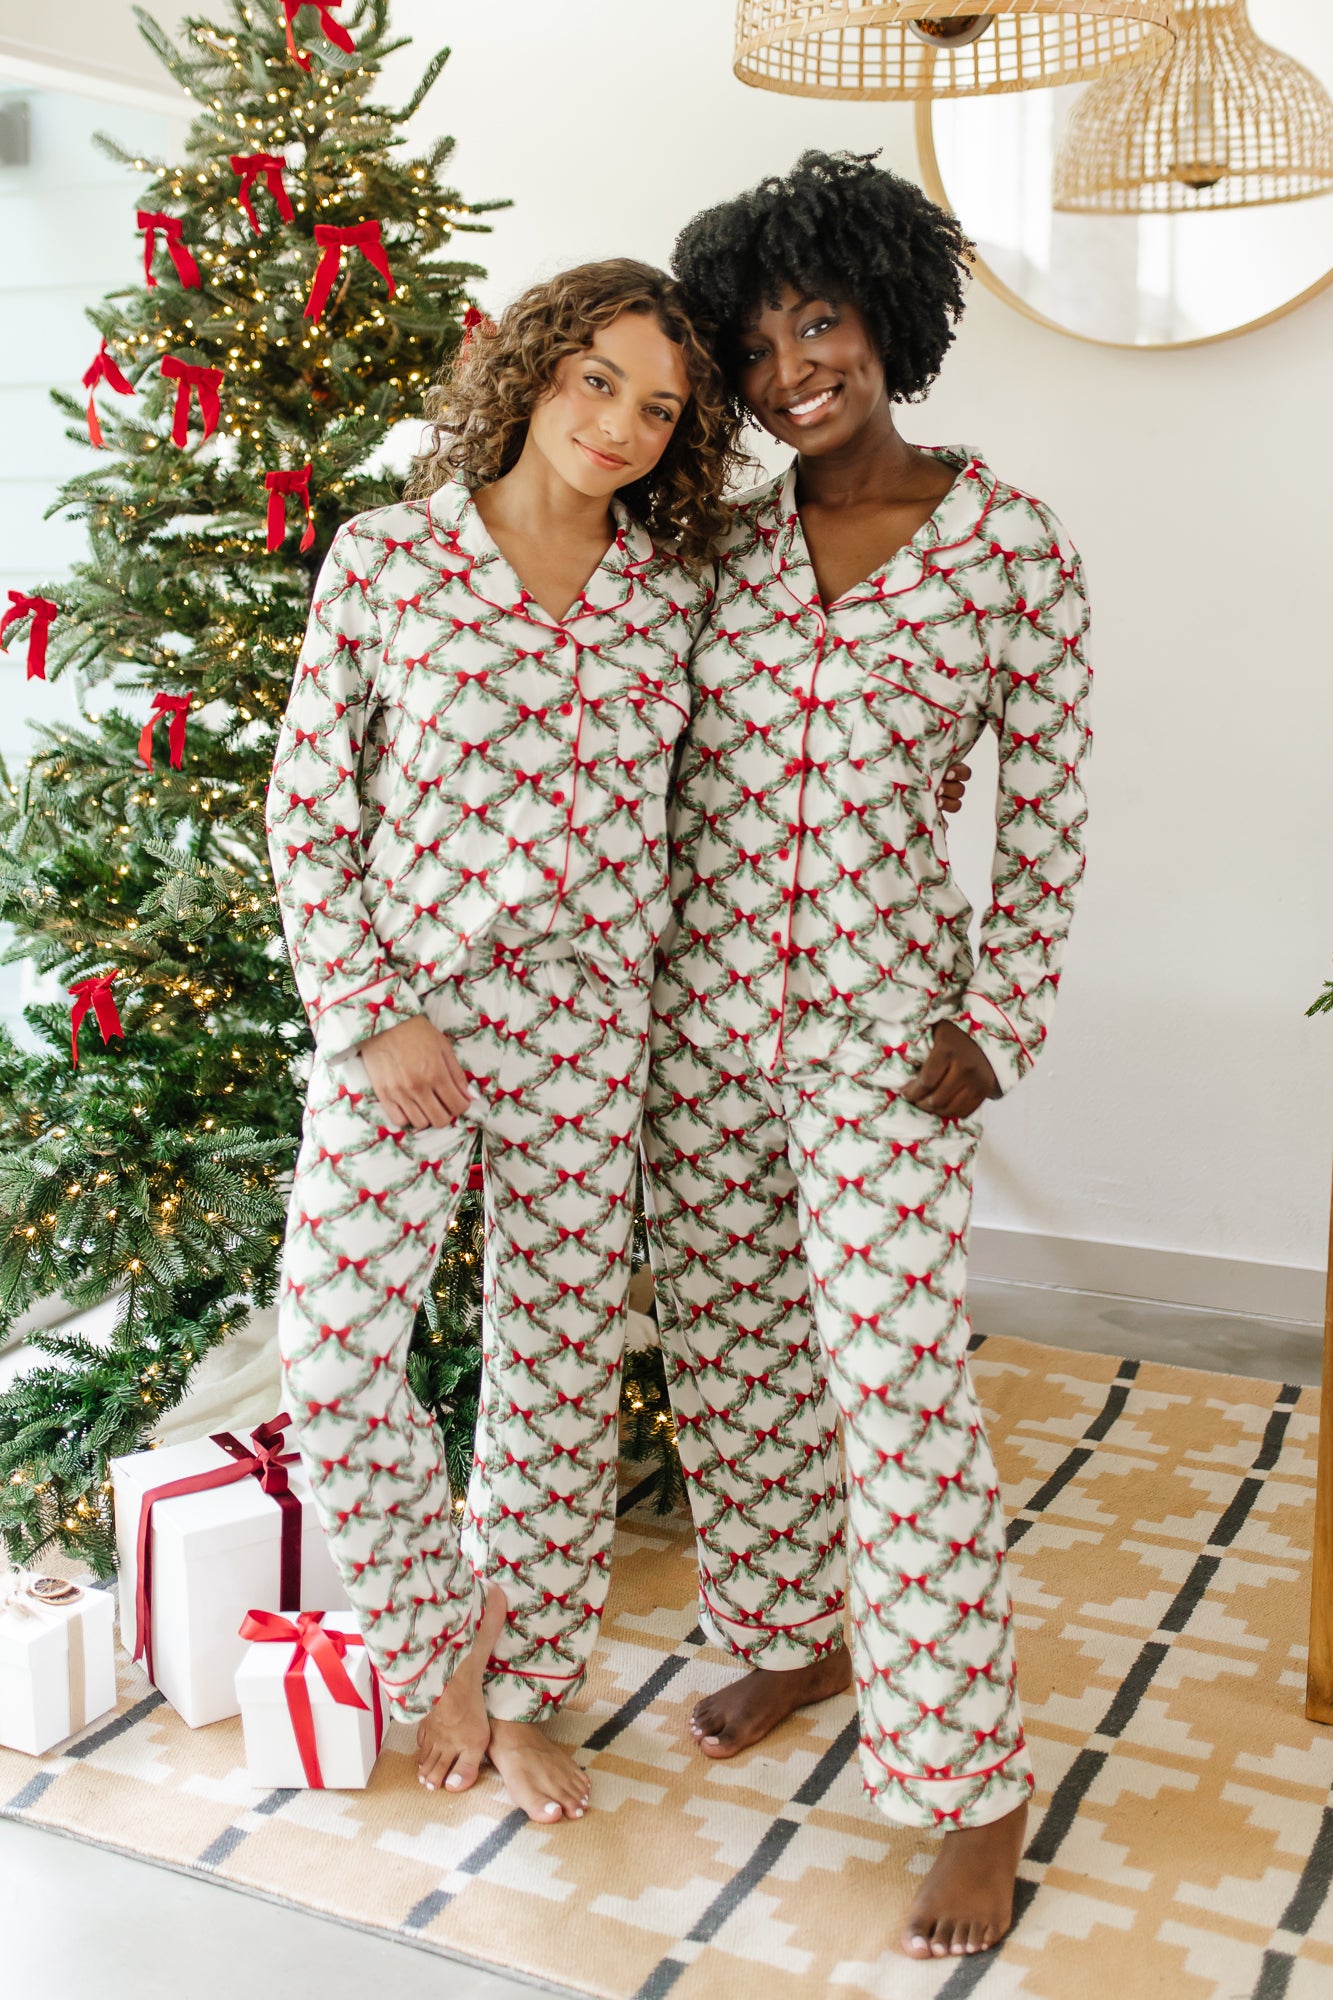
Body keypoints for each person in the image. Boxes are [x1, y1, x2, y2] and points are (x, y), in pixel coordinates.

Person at [643, 151, 1091, 1960]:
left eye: (816, 322)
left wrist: (999, 1021)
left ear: (885, 319)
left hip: (877, 1044)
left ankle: (971, 1785)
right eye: (750, 346)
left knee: (900, 1402)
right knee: (740, 1368)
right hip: (698, 1030)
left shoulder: (1014, 550)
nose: (787, 369)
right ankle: (794, 1635)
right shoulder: (717, 553)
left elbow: (1046, 812)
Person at [267, 259, 740, 1826]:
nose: (619, 423)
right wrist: (366, 1011)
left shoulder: (671, 592)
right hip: (410, 1016)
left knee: (550, 1371)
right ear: (535, 370)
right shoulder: (391, 559)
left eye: (659, 407)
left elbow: (710, 806)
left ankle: (525, 1685)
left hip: (596, 1023)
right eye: (595, 380)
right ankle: (437, 1659)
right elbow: (308, 806)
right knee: (335, 1358)